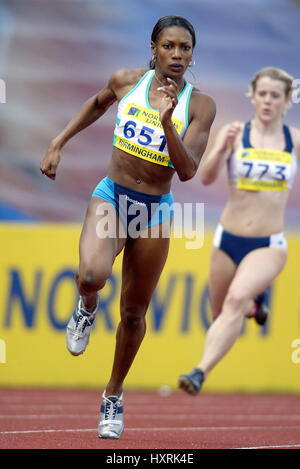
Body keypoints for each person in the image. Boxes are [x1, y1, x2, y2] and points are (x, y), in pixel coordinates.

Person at [40, 15, 216, 438]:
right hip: (113, 197)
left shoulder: (201, 104)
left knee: (134, 313)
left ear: (192, 55)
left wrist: (168, 122)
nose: (177, 55)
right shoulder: (126, 81)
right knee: (90, 276)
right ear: (153, 48)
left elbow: (188, 170)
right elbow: (97, 104)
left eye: (185, 48)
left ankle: (113, 396)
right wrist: (57, 143)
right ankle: (86, 307)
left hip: (155, 210)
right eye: (169, 46)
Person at [178, 66, 300, 396]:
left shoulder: (294, 140)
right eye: (262, 94)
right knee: (220, 314)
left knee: (233, 300)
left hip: (268, 243)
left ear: (287, 100)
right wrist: (220, 149)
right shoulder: (235, 133)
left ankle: (199, 372)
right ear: (252, 96)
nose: (268, 101)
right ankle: (254, 308)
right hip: (227, 239)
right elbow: (204, 178)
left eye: (276, 95)